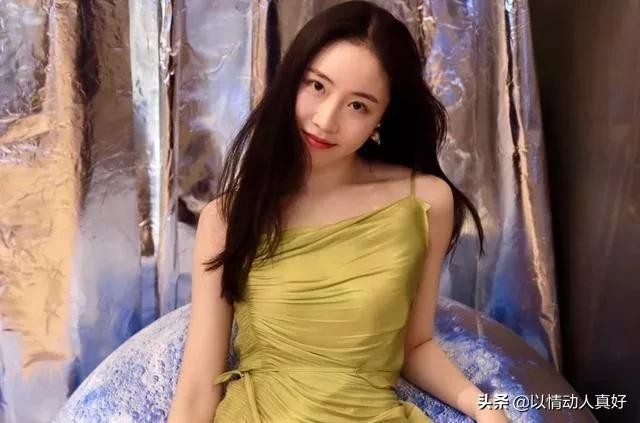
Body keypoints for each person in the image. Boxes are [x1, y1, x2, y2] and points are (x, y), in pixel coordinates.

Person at [168, 1, 508, 422]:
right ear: (292, 80)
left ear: (382, 117)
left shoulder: (423, 202)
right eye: (317, 86)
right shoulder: (227, 218)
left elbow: (415, 345)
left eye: (358, 105)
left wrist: (485, 407)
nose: (326, 120)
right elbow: (198, 387)